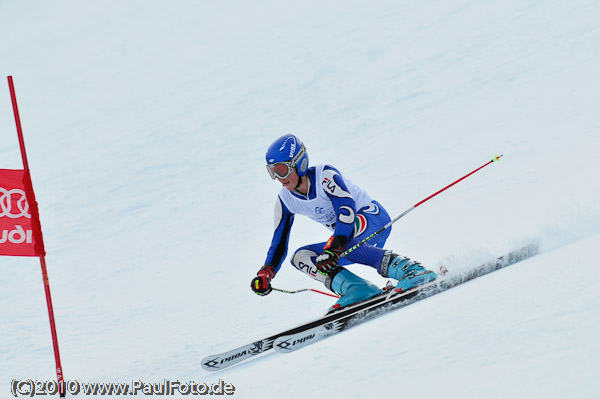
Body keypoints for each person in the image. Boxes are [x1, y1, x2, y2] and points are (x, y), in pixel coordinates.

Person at [250, 134, 437, 310]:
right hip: (346, 239)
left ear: (299, 163)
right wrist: (267, 272)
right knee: (300, 257)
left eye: (281, 170)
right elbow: (279, 244)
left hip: (371, 219)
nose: (278, 178)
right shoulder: (285, 200)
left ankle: (412, 270)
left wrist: (334, 247)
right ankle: (356, 289)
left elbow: (346, 211)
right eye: (272, 172)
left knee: (344, 240)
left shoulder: (325, 176)